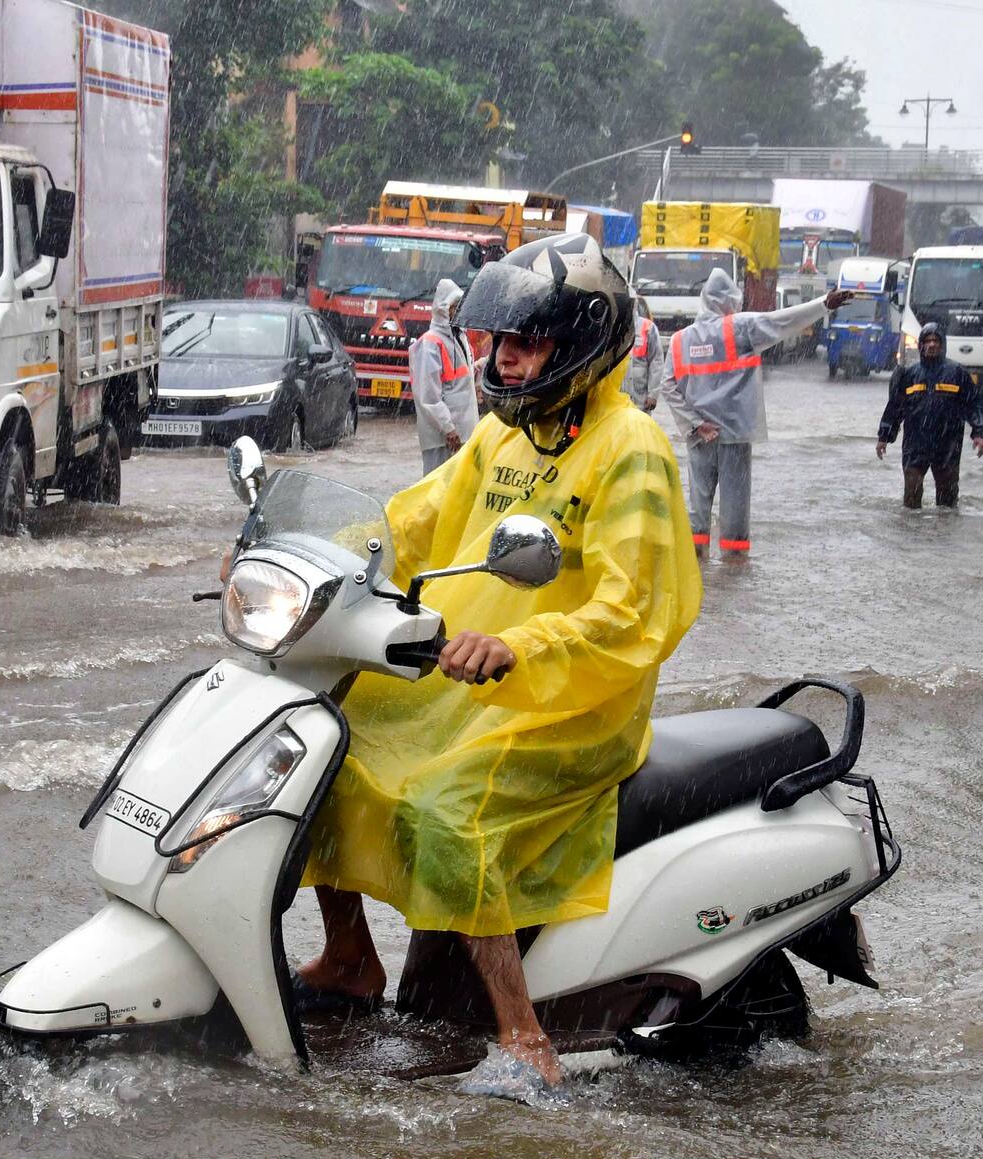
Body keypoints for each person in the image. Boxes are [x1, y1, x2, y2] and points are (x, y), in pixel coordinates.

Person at [295, 233, 702, 1094]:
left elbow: (633, 611)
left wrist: (520, 645)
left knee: (451, 812)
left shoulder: (631, 448)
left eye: (524, 341)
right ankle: (349, 956)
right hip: (464, 682)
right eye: (498, 341)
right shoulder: (501, 439)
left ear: (582, 342)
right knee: (325, 750)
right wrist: (303, 560)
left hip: (574, 702)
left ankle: (525, 1039)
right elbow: (410, 522)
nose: (503, 358)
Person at [659, 268, 851, 556]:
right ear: (727, 301)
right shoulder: (738, 329)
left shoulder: (679, 340)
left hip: (699, 437)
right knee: (734, 511)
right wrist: (823, 303)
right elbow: (782, 321)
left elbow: (668, 387)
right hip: (734, 435)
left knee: (697, 509)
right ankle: (734, 573)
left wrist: (696, 424)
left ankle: (697, 571)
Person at [874, 321, 983, 508]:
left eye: (936, 341)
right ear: (921, 345)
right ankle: (913, 534)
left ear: (942, 345)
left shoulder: (957, 373)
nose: (932, 344)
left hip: (947, 445)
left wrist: (979, 434)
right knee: (911, 497)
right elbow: (895, 408)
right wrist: (884, 436)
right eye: (927, 341)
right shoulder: (909, 375)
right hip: (915, 444)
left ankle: (942, 536)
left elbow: (974, 406)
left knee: (947, 504)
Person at [409, 278, 478, 473]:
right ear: (442, 308)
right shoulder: (430, 343)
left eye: (459, 307)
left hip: (463, 433)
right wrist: (447, 428)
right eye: (454, 307)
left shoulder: (459, 338)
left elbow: (461, 381)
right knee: (436, 491)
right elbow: (428, 396)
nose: (458, 312)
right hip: (443, 438)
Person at [624, 310, 662, 414]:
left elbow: (656, 362)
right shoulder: (613, 326)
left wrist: (653, 394)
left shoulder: (647, 326)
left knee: (640, 429)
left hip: (640, 399)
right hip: (618, 399)